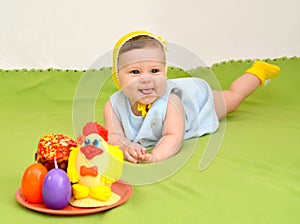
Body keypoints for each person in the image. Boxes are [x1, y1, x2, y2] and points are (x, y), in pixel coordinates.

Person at [104, 30, 280, 164]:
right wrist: (127, 146)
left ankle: (258, 72)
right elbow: (113, 136)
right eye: (135, 72)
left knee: (232, 99)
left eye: (155, 71)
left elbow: (173, 135)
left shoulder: (172, 101)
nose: (146, 79)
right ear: (118, 76)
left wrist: (155, 156)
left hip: (197, 101)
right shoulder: (113, 105)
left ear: (165, 71)